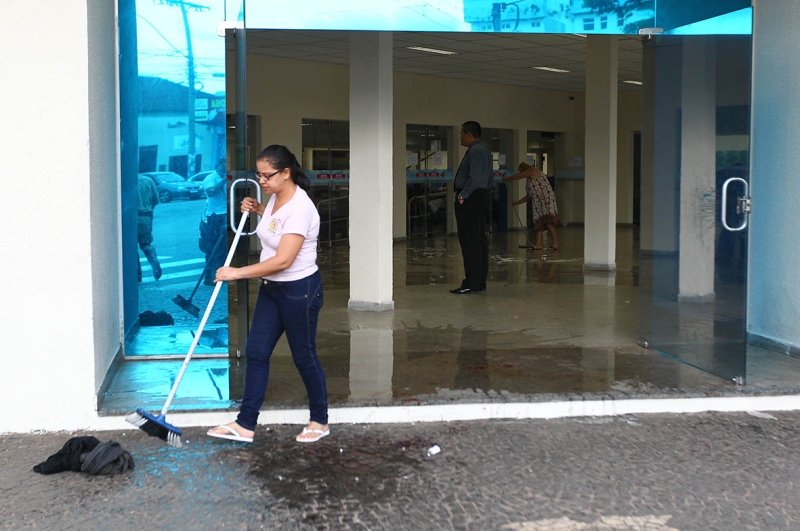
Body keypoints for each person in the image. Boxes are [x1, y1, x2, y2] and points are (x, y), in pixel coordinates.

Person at [207, 145, 329, 444]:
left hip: (299, 291)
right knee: (257, 352)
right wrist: (259, 209)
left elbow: (283, 260)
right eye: (258, 175)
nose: (261, 181)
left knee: (304, 356)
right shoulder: (276, 197)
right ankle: (245, 424)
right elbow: (276, 225)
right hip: (272, 289)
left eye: (267, 175)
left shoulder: (301, 208)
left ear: (286, 173)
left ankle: (319, 420)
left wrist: (236, 272)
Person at [451, 120, 492, 294]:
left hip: (471, 198)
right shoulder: (485, 150)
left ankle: (471, 282)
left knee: (469, 242)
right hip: (481, 196)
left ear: (469, 134)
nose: (460, 137)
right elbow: (488, 177)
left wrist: (463, 195)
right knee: (479, 240)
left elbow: (474, 177)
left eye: (461, 134)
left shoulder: (474, 151)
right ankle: (479, 281)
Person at [503, 162, 560, 250]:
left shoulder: (533, 170)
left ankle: (555, 243)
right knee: (538, 222)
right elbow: (529, 196)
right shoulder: (529, 181)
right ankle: (538, 244)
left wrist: (508, 178)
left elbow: (520, 176)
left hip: (546, 198)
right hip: (537, 202)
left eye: (521, 171)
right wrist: (517, 202)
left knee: (548, 220)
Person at [199, 158, 228, 286]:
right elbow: (210, 192)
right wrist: (224, 180)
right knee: (213, 246)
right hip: (213, 215)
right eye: (224, 164)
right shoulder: (211, 178)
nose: (226, 167)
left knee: (223, 247)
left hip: (225, 213)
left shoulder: (227, 177)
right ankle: (210, 276)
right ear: (218, 165)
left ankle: (220, 274)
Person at [137, 174, 162, 282]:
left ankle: (137, 276)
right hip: (145, 216)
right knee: (146, 244)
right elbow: (155, 200)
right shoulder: (147, 180)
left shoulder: (123, 181)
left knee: (131, 248)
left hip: (128, 219)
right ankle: (154, 263)